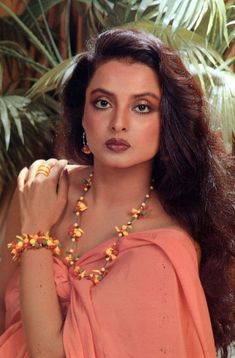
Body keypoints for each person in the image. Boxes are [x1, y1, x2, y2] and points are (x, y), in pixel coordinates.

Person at [0, 28, 234, 358]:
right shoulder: (41, 187)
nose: (118, 123)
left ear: (167, 123)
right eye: (103, 102)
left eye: (142, 107)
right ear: (83, 114)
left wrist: (37, 236)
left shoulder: (162, 247)